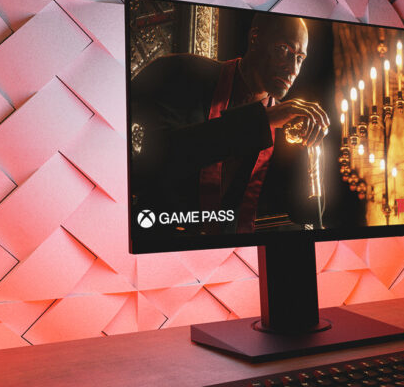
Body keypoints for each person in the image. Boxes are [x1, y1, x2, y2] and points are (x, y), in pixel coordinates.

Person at [129, 13, 330, 234]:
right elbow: (160, 160)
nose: (293, 69)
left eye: (300, 58)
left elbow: (302, 214)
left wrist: (312, 156)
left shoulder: (287, 127)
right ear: (255, 38)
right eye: (284, 50)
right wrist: (263, 120)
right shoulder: (180, 72)